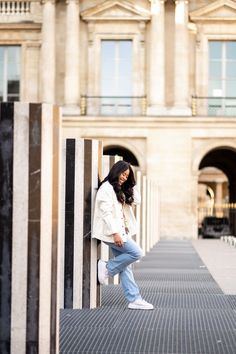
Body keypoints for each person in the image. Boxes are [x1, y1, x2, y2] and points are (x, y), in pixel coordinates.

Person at [92, 160, 154, 310]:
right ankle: (107, 268)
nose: (125, 177)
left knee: (126, 267)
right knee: (137, 253)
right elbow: (105, 212)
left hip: (121, 233)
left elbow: (137, 201)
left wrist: (130, 183)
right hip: (111, 234)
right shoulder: (106, 189)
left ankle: (134, 299)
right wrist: (115, 234)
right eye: (123, 174)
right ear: (116, 171)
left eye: (127, 175)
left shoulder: (118, 189)